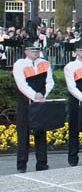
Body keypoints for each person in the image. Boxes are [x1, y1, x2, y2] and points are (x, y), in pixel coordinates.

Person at [12, 41, 54, 173]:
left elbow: (50, 81)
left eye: (37, 50)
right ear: (26, 51)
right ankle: (21, 165)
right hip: (25, 102)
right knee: (23, 134)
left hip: (40, 100)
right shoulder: (19, 64)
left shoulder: (45, 63)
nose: (35, 52)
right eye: (32, 50)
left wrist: (42, 94)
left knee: (41, 133)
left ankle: (42, 163)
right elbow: (21, 83)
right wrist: (34, 95)